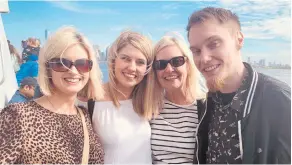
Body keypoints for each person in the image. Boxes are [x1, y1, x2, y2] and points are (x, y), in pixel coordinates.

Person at [187, 7, 291, 164]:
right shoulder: (207, 102)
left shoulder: (279, 100)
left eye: (214, 44)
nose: (204, 58)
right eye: (196, 51)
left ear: (239, 40)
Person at [0, 26, 105, 164]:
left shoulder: (83, 116)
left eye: (82, 64)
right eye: (62, 63)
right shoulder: (18, 116)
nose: (73, 71)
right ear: (48, 68)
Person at [90, 31, 159, 164]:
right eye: (125, 58)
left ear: (147, 68)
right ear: (114, 60)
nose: (132, 67)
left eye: (140, 62)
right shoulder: (91, 99)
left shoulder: (149, 101)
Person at [150, 35, 206, 164]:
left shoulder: (206, 108)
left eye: (177, 61)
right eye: (161, 64)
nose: (169, 69)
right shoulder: (151, 108)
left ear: (188, 65)